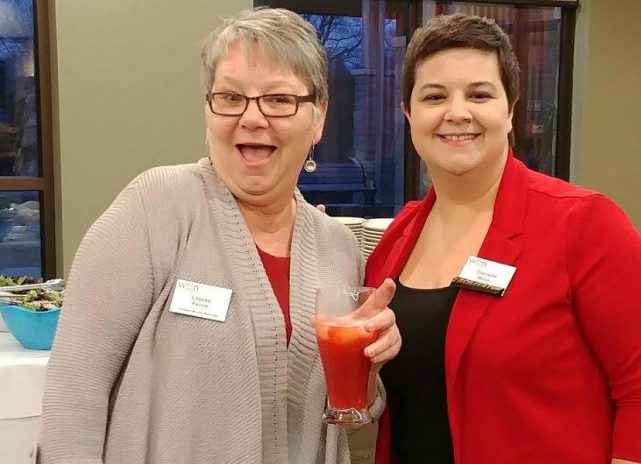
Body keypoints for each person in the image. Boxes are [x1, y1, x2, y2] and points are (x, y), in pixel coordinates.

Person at [37, 8, 400, 464]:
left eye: (278, 99)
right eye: (230, 97)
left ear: (318, 117)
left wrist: (369, 368)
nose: (252, 118)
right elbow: (75, 389)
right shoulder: (155, 208)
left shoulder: (338, 246)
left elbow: (349, 416)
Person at [365, 13, 641, 464]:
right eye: (435, 96)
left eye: (479, 94)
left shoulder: (585, 224)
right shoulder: (397, 238)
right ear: (409, 114)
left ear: (509, 110)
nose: (457, 112)